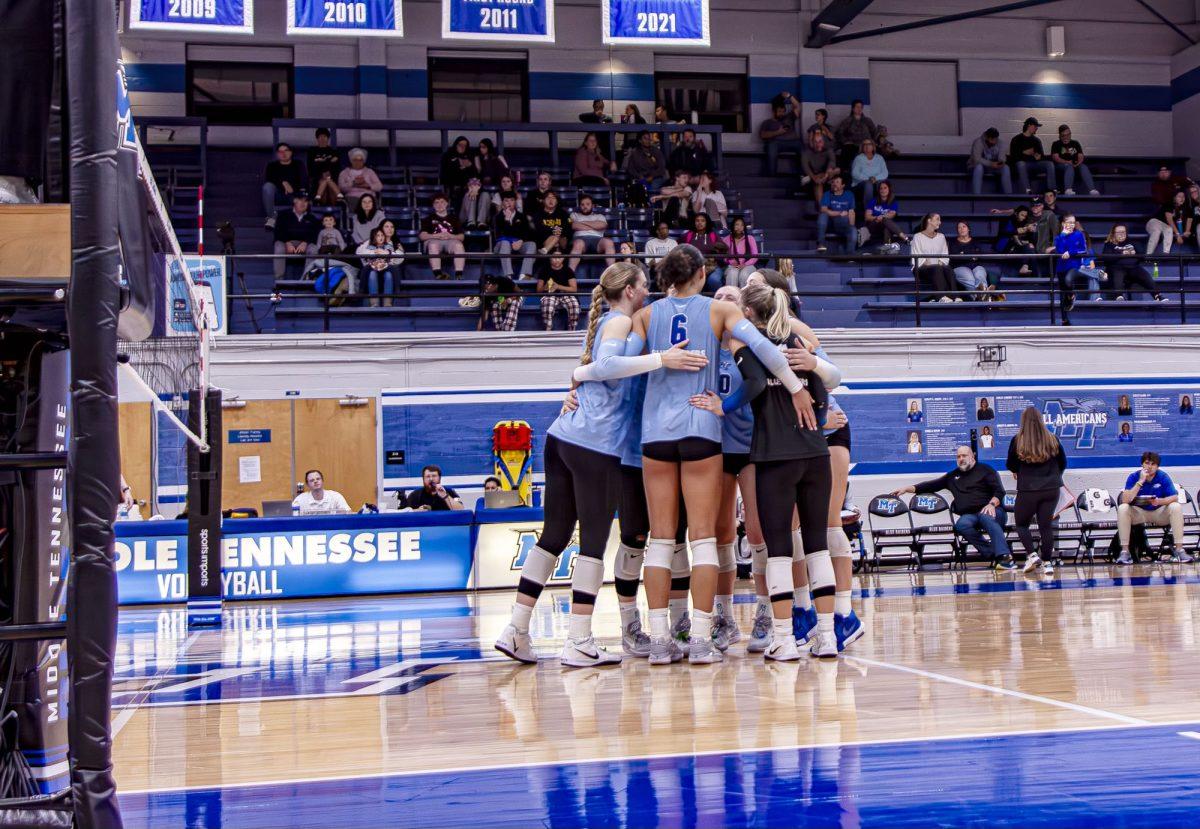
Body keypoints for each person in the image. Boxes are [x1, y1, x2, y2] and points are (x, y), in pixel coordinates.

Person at [494, 262, 707, 666]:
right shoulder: (619, 322)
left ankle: (516, 630)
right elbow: (608, 370)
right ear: (628, 290)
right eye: (643, 285)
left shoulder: (612, 326)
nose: (647, 291)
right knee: (591, 544)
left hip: (564, 438)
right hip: (594, 445)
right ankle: (578, 640)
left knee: (553, 536)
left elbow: (595, 371)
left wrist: (578, 373)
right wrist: (661, 359)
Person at [629, 245, 821, 664]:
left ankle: (660, 641)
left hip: (655, 432)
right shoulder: (718, 314)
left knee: (660, 543)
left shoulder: (644, 316)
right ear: (700, 274)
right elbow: (770, 352)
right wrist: (796, 387)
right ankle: (700, 639)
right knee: (703, 541)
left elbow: (617, 365)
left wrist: (582, 382)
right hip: (701, 431)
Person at [723, 280, 836, 659]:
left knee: (779, 552)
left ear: (749, 313)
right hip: (815, 454)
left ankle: (784, 639)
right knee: (817, 546)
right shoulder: (798, 345)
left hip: (774, 457)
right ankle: (828, 637)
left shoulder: (749, 344)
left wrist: (721, 406)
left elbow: (754, 386)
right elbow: (822, 396)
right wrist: (813, 422)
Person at [893, 445, 1014, 570]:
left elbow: (1000, 491)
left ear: (972, 456)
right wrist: (907, 489)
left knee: (986, 517)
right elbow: (930, 485)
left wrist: (992, 504)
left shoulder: (986, 470)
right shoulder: (952, 477)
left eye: (964, 455)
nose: (961, 459)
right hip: (970, 515)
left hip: (992, 511)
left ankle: (1005, 557)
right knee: (961, 525)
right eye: (958, 456)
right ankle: (991, 554)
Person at [1007, 405, 1067, 577]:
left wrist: (1018, 470)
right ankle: (1048, 563)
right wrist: (1054, 477)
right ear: (1041, 420)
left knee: (1021, 524)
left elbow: (1010, 464)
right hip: (1051, 488)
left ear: (1023, 422)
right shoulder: (1052, 438)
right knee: (1046, 526)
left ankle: (1032, 555)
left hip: (1028, 489)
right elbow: (1063, 462)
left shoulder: (1018, 440)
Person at [1115, 451, 1193, 565]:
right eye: (1147, 463)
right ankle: (1125, 552)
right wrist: (1140, 481)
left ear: (1157, 466)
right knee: (1123, 508)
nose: (1150, 467)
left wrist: (1159, 501)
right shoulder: (1133, 477)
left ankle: (1179, 550)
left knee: (1176, 507)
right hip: (1139, 513)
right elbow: (1125, 500)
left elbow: (1174, 497)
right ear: (1142, 464)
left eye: (1153, 464)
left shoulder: (1163, 476)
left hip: (1159, 513)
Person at [1055, 214, 1100, 320]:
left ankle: (1072, 295)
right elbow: (1060, 251)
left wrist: (1070, 253)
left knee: (1068, 281)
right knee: (1063, 293)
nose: (1071, 225)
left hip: (1074, 265)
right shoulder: (1059, 237)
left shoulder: (1078, 234)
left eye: (1073, 222)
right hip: (1061, 266)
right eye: (1069, 222)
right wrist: (1063, 236)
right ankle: (1064, 319)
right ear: (1063, 224)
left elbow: (1083, 249)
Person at [273, 192, 321, 279]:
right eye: (300, 200)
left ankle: (307, 277)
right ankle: (278, 279)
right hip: (287, 243)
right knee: (278, 246)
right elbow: (278, 232)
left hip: (303, 244)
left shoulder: (312, 218)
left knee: (313, 248)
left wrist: (305, 242)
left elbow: (314, 234)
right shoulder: (283, 215)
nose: (303, 203)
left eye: (306, 201)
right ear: (295, 201)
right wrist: (287, 242)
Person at [910, 213, 957, 302]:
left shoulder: (941, 236)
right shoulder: (917, 237)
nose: (940, 222)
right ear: (929, 221)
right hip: (921, 269)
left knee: (948, 268)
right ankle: (941, 297)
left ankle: (954, 296)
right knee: (936, 268)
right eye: (937, 219)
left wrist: (940, 263)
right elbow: (917, 257)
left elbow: (944, 255)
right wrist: (932, 265)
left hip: (938, 267)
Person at [420, 193, 466, 280]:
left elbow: (461, 237)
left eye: (442, 202)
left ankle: (459, 275)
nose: (439, 205)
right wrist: (436, 235)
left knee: (459, 245)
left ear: (446, 204)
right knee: (433, 245)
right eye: (436, 203)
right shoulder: (428, 219)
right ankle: (438, 274)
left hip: (450, 241)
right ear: (433, 205)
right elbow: (422, 236)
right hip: (435, 241)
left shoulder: (454, 218)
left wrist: (450, 236)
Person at [948, 221, 999, 300]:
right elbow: (955, 258)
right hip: (960, 267)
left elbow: (977, 256)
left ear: (968, 229)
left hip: (975, 266)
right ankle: (985, 295)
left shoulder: (975, 242)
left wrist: (963, 255)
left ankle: (981, 294)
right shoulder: (953, 243)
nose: (961, 229)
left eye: (964, 226)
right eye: (959, 227)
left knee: (979, 273)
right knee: (970, 278)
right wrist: (969, 257)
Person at [262, 142, 308, 229]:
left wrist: (293, 189)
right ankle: (272, 218)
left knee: (301, 200)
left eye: (286, 150)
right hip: (278, 195)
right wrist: (283, 183)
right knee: (267, 187)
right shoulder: (272, 166)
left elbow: (303, 181)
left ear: (291, 152)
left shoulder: (298, 164)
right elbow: (269, 180)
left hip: (294, 194)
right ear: (277, 154)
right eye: (280, 152)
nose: (283, 154)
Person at [492, 191, 536, 280]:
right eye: (506, 201)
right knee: (505, 242)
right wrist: (507, 220)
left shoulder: (522, 216)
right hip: (501, 246)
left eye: (512, 200)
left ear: (515, 202)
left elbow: (526, 232)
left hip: (517, 244)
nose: (509, 203)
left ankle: (524, 275)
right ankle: (508, 276)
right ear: (502, 203)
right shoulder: (497, 217)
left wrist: (521, 240)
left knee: (532, 244)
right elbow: (499, 235)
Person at [567, 194, 616, 272]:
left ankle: (612, 273)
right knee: (578, 243)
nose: (585, 206)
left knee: (609, 242)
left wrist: (582, 223)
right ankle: (570, 274)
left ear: (592, 205)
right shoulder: (574, 215)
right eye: (582, 204)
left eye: (587, 204)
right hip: (580, 240)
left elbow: (603, 225)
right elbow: (573, 225)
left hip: (597, 241)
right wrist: (594, 226)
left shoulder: (600, 216)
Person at [1008, 118, 1055, 195]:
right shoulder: (1017, 139)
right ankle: (1027, 190)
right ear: (1029, 125)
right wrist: (1024, 153)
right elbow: (1013, 156)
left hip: (1034, 163)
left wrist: (1038, 156)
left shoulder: (1036, 140)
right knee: (1021, 164)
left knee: (1049, 164)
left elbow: (1041, 156)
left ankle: (1051, 190)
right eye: (1035, 126)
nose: (1036, 128)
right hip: (1022, 165)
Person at [681, 212, 728, 292]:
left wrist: (718, 247)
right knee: (691, 280)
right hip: (693, 266)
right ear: (694, 222)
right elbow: (679, 248)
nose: (700, 223)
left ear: (706, 223)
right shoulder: (688, 235)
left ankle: (716, 302)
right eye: (697, 221)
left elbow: (725, 248)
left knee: (714, 280)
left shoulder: (713, 235)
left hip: (712, 266)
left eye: (703, 221)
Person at [760, 93, 804, 175]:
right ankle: (772, 176)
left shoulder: (789, 117)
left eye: (783, 111)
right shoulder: (767, 122)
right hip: (776, 143)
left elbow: (798, 106)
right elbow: (762, 135)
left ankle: (803, 176)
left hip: (793, 142)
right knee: (770, 146)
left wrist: (789, 96)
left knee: (802, 146)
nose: (782, 113)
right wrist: (778, 132)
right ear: (774, 111)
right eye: (779, 111)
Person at [1050, 125, 1099, 196]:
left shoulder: (1075, 143)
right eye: (1064, 135)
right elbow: (1056, 158)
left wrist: (1078, 163)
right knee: (1068, 166)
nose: (1066, 137)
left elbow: (1080, 156)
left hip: (1074, 164)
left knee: (1083, 166)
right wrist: (1067, 162)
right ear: (1060, 135)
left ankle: (1092, 190)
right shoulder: (1056, 144)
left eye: (1068, 135)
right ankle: (1068, 190)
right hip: (1061, 166)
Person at [862, 180, 908, 251]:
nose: (883, 190)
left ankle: (887, 246)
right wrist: (877, 217)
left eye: (885, 188)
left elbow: (892, 215)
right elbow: (867, 217)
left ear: (889, 189)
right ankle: (904, 237)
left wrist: (882, 217)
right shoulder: (873, 201)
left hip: (885, 226)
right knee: (885, 220)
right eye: (881, 188)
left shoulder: (893, 202)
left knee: (886, 225)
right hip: (873, 225)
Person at [834, 99, 877, 172]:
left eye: (861, 107)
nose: (859, 109)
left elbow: (874, 132)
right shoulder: (847, 121)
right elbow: (839, 133)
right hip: (853, 145)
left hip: (866, 144)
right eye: (857, 107)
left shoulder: (867, 120)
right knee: (846, 150)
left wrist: (873, 142)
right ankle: (844, 171)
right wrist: (845, 141)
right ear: (853, 108)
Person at [816, 176, 856, 254]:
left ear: (843, 185)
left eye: (837, 182)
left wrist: (851, 227)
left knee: (853, 230)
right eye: (833, 182)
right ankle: (821, 244)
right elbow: (823, 209)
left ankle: (850, 256)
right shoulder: (827, 194)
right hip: (830, 225)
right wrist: (840, 213)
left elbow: (851, 212)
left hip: (843, 225)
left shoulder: (849, 195)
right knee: (823, 216)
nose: (834, 184)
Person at [538, 256, 579, 331]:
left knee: (574, 305)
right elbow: (539, 290)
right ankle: (548, 330)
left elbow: (574, 289)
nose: (557, 260)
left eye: (559, 258)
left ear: (563, 258)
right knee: (547, 306)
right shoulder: (544, 270)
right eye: (554, 257)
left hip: (566, 294)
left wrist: (558, 286)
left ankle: (572, 330)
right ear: (550, 258)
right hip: (550, 295)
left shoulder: (568, 270)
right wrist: (545, 287)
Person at [357, 227, 394, 307]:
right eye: (378, 235)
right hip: (373, 270)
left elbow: (393, 256)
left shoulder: (388, 246)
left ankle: (387, 303)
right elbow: (362, 253)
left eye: (382, 235)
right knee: (372, 274)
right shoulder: (370, 247)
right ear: (374, 237)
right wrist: (375, 252)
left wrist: (386, 252)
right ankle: (374, 303)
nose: (381, 237)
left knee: (389, 275)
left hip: (385, 270)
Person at [968, 127, 1013, 195]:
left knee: (1006, 168)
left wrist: (1001, 162)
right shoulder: (978, 142)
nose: (994, 141)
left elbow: (1002, 157)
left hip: (993, 167)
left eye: (995, 139)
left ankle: (1009, 195)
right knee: (979, 167)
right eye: (992, 139)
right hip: (975, 167)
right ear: (987, 137)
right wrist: (991, 163)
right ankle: (976, 196)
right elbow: (977, 159)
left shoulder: (1001, 143)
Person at [529, 190, 572, 257]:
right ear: (543, 200)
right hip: (544, 240)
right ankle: (545, 250)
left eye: (553, 198)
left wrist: (560, 233)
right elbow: (538, 230)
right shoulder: (538, 214)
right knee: (555, 237)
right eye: (548, 198)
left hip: (561, 241)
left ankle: (543, 252)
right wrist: (553, 231)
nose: (551, 200)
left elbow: (568, 228)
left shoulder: (563, 213)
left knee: (559, 237)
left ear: (557, 201)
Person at [801, 132, 840, 205]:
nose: (818, 144)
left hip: (827, 175)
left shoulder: (829, 150)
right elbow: (805, 167)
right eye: (815, 142)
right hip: (811, 177)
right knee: (818, 183)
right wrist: (815, 177)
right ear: (812, 142)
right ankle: (821, 208)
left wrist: (825, 174)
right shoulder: (806, 152)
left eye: (820, 141)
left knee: (837, 170)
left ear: (823, 142)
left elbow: (832, 163)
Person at [307, 128, 342, 206]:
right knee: (323, 182)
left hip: (331, 178)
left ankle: (335, 207)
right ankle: (321, 205)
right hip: (316, 179)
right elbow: (311, 167)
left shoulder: (334, 152)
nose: (322, 139)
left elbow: (336, 168)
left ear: (328, 138)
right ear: (317, 139)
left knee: (329, 182)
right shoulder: (312, 151)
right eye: (320, 137)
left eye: (324, 136)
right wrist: (329, 162)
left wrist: (322, 164)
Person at [850, 138, 888, 209]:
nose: (867, 146)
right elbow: (855, 173)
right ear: (862, 147)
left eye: (869, 144)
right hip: (860, 185)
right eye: (864, 145)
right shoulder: (858, 158)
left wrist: (875, 178)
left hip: (876, 182)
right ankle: (868, 211)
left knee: (882, 184)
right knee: (868, 184)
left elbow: (885, 173)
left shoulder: (879, 158)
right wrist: (868, 179)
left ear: (873, 146)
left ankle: (882, 209)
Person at [1147, 190, 1189, 254]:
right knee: (1157, 231)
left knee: (1169, 229)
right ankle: (1148, 256)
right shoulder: (1169, 204)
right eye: (1179, 196)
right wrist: (1178, 235)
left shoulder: (1181, 209)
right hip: (1154, 222)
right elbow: (1169, 220)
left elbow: (1179, 223)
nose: (1182, 198)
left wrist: (1181, 234)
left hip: (1164, 226)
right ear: (1174, 198)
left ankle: (1166, 253)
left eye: (1183, 196)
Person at [723, 217, 759, 287]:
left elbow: (755, 256)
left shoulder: (750, 238)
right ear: (733, 226)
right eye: (737, 224)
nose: (739, 227)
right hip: (732, 266)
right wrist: (731, 262)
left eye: (742, 225)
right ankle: (732, 296)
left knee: (744, 274)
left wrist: (745, 264)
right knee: (733, 273)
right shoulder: (726, 239)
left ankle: (744, 297)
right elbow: (724, 256)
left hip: (748, 265)